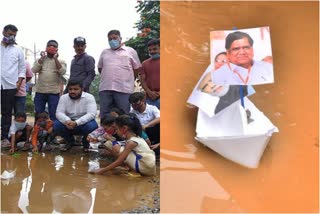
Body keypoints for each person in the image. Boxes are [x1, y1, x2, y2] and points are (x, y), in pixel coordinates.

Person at [98, 29, 142, 117]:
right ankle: (106, 131)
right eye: (110, 39)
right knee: (105, 115)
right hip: (106, 88)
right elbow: (100, 68)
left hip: (124, 89)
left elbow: (137, 68)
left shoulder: (130, 51)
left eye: (114, 38)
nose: (112, 41)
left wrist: (128, 80)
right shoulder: (104, 52)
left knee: (124, 115)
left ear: (120, 38)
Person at [54, 80, 98, 152]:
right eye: (70, 89)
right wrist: (67, 121)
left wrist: (76, 122)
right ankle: (70, 141)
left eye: (76, 89)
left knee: (92, 126)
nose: (72, 91)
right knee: (56, 125)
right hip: (68, 123)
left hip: (83, 123)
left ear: (82, 89)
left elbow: (92, 114)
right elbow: (58, 113)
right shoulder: (63, 98)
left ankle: (85, 143)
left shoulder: (89, 97)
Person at [1, 24, 26, 146]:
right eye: (10, 34)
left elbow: (22, 69)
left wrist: (19, 83)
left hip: (10, 85)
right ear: (3, 32)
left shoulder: (18, 50)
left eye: (14, 35)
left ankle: (4, 138)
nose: (12, 37)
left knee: (6, 112)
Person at [32, 40, 67, 121]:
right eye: (50, 46)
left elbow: (62, 72)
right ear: (46, 48)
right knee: (38, 114)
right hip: (40, 91)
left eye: (54, 46)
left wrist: (55, 59)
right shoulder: (40, 59)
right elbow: (33, 70)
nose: (51, 47)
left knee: (54, 114)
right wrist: (42, 58)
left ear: (57, 49)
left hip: (54, 93)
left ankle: (53, 132)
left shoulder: (61, 61)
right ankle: (37, 132)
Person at [140, 39, 160, 109]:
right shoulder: (144, 63)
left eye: (155, 49)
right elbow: (142, 80)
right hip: (150, 98)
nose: (152, 51)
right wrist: (149, 92)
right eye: (150, 50)